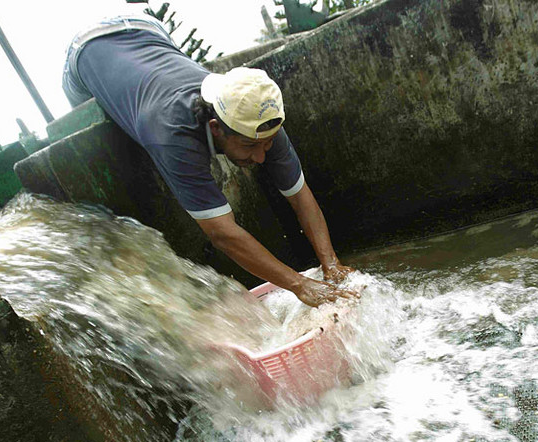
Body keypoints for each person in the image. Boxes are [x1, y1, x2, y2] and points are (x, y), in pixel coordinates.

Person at [62, 15, 355, 307]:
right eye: (250, 146)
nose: (261, 156)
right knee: (96, 123)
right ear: (216, 128)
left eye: (267, 144)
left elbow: (300, 195)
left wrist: (331, 264)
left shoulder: (258, 117)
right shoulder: (172, 133)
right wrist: (299, 285)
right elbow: (222, 234)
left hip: (147, 28)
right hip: (85, 51)